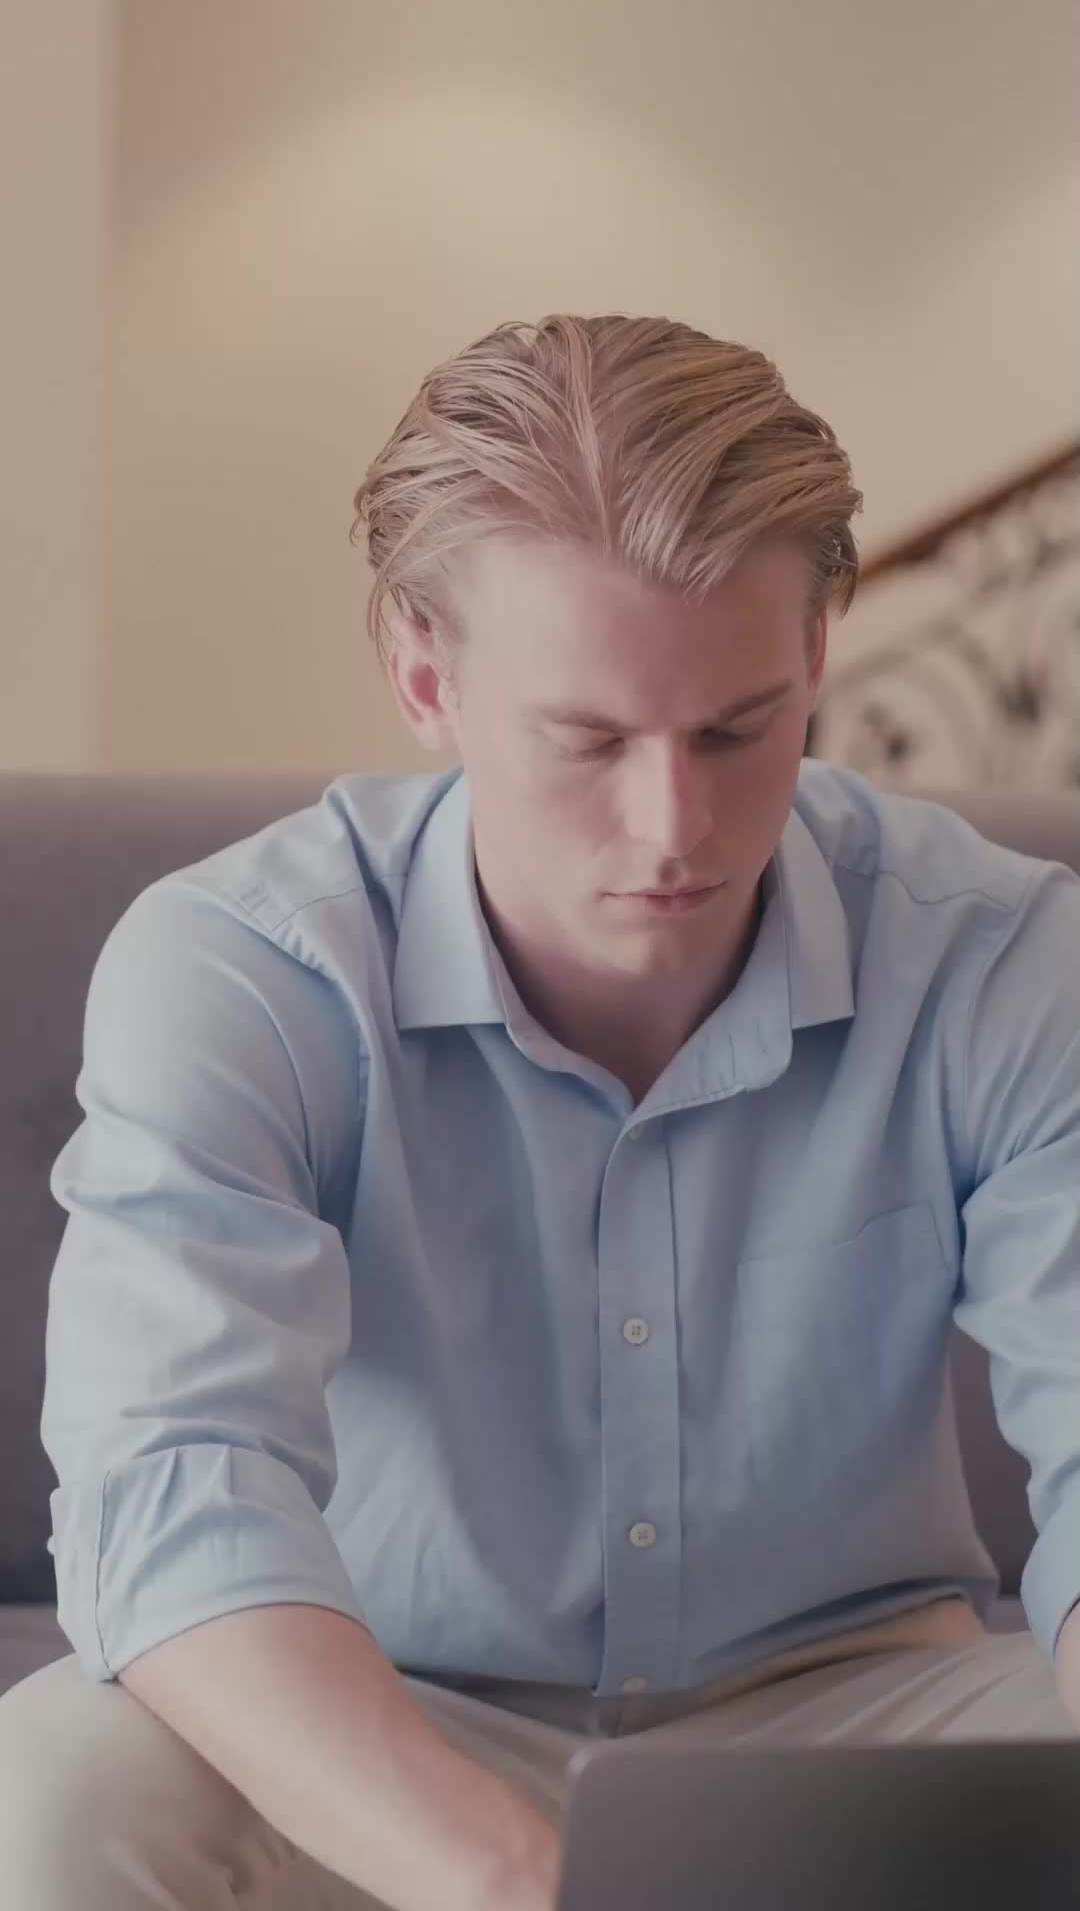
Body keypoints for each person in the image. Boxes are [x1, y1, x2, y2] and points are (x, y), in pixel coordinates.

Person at [1, 313, 1077, 1911]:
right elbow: (170, 1486)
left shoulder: (1001, 956)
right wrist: (525, 1886)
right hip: (387, 1712)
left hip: (868, 1708)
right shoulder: (241, 968)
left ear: (817, 655)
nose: (674, 825)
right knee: (61, 1783)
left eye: (737, 728)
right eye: (588, 740)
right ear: (424, 677)